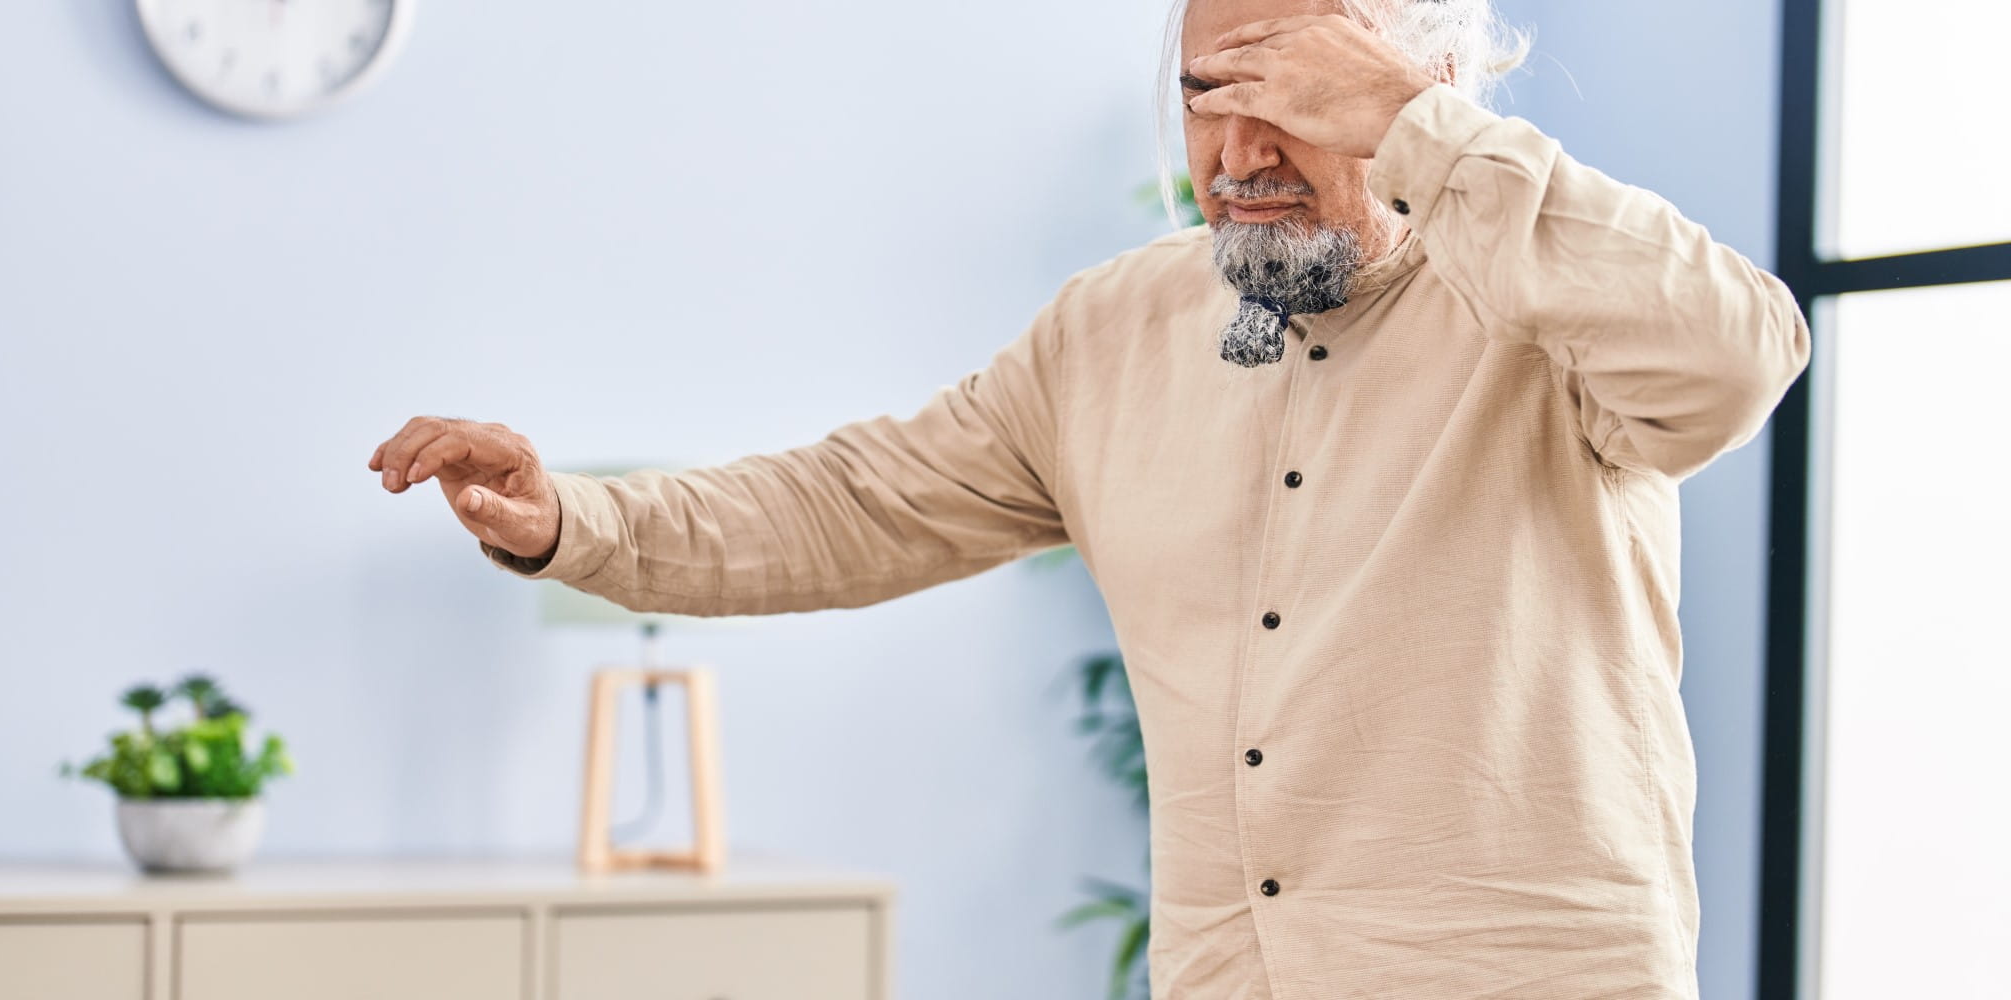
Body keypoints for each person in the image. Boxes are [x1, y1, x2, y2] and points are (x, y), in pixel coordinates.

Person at [366, 0, 1810, 995]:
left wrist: (1413, 130)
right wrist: (578, 522)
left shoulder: (1557, 302)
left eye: (1296, 99)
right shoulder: (1112, 332)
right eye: (1208, 99)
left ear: (1425, 86)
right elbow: (859, 503)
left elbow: (1739, 357)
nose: (1242, 152)